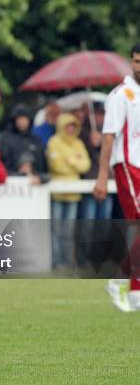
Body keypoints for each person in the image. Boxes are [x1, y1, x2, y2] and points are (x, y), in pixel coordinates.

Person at [94, 43, 140, 312]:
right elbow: (109, 137)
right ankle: (122, 281)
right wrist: (102, 176)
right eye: (136, 61)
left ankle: (133, 289)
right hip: (127, 167)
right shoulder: (120, 95)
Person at [47, 113, 90, 269]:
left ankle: (69, 261)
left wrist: (69, 160)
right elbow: (56, 165)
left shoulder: (78, 143)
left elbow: (86, 165)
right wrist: (75, 161)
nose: (71, 129)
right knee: (57, 230)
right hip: (58, 194)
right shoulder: (54, 142)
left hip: (73, 194)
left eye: (73, 126)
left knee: (69, 231)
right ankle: (57, 261)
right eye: (68, 126)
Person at [0, 104, 48, 180]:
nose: (22, 121)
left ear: (29, 120)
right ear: (14, 120)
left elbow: (44, 167)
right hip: (11, 183)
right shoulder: (5, 139)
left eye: (25, 118)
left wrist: (41, 178)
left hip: (36, 184)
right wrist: (18, 173)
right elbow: (1, 164)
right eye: (19, 118)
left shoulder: (36, 141)